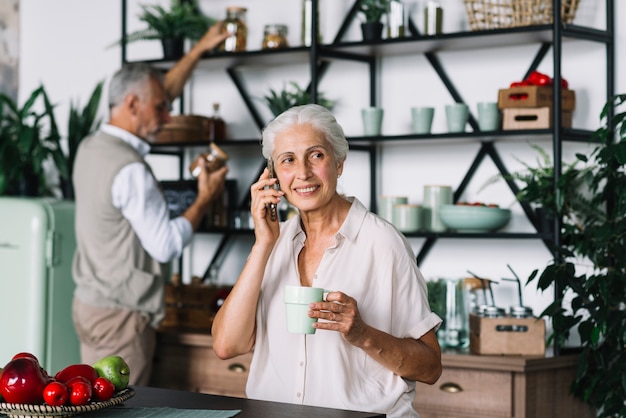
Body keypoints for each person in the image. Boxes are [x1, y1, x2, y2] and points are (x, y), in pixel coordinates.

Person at [211, 104, 442, 417]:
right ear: (274, 175)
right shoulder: (274, 242)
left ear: (339, 162)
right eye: (288, 160)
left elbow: (430, 367)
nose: (303, 173)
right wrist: (263, 243)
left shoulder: (382, 242)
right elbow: (227, 346)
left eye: (316, 155)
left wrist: (363, 334)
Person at [71, 24, 229, 385]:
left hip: (90, 306)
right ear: (132, 105)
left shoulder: (90, 148)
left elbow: (157, 94)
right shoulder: (130, 171)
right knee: (121, 411)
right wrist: (205, 197)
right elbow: (166, 244)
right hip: (122, 319)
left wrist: (199, 48)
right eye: (161, 109)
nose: (168, 118)